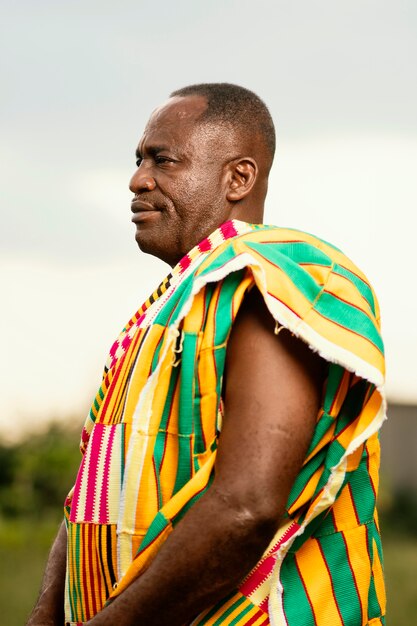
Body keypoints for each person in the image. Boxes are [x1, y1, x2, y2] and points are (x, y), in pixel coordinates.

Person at [28, 83, 386, 626]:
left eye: (162, 160)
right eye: (139, 160)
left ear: (238, 178)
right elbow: (94, 493)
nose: (137, 179)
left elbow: (245, 508)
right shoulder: (174, 302)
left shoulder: (272, 280)